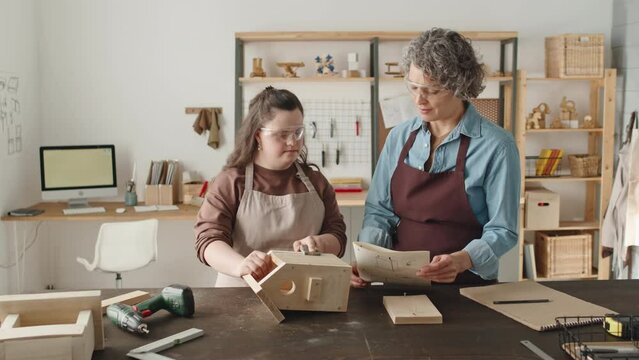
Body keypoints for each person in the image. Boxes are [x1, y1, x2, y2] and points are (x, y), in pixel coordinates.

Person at [352, 28, 520, 286]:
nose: (419, 99)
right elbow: (379, 210)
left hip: (468, 283)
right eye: (413, 87)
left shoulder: (497, 146)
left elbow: (503, 229)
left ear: (459, 86)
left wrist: (463, 260)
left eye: (432, 90)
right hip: (400, 280)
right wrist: (369, 260)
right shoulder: (399, 137)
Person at [195, 87, 347, 287]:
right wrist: (241, 265)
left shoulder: (317, 182)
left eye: (298, 132)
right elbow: (207, 241)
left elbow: (337, 234)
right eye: (282, 134)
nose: (293, 141)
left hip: (305, 294)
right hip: (240, 295)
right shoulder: (231, 182)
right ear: (258, 135)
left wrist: (322, 244)